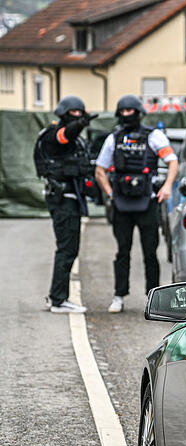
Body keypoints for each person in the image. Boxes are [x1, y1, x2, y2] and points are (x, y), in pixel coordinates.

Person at [94, 94, 179, 313]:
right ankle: (119, 296)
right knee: (122, 252)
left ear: (138, 112)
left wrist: (167, 187)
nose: (126, 115)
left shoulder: (154, 136)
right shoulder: (113, 139)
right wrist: (111, 194)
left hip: (147, 203)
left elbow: (172, 161)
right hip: (121, 204)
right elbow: (99, 171)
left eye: (129, 111)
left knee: (151, 253)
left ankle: (153, 298)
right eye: (122, 111)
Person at [34, 95, 96, 313]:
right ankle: (58, 300)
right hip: (63, 200)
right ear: (64, 114)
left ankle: (57, 297)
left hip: (70, 199)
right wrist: (80, 124)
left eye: (80, 113)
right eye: (74, 113)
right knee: (67, 249)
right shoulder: (54, 135)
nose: (78, 116)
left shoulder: (74, 140)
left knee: (69, 249)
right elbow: (64, 136)